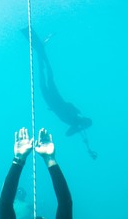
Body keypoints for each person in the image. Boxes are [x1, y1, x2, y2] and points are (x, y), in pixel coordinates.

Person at [22, 28, 97, 160]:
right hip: (56, 99)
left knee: (43, 79)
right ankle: (42, 53)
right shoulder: (76, 116)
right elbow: (69, 105)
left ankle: (40, 53)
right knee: (49, 77)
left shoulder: (74, 124)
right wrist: (78, 122)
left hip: (52, 102)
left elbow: (68, 134)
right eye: (85, 122)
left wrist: (79, 128)